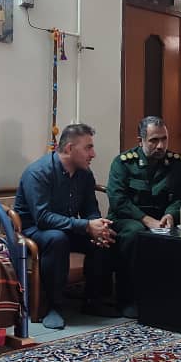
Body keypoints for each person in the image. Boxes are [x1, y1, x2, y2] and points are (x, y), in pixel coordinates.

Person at [13, 123, 115, 330]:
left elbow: (90, 209)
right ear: (69, 148)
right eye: (88, 147)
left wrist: (98, 227)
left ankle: (93, 300)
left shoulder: (84, 174)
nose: (93, 154)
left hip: (65, 227)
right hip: (33, 231)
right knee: (56, 238)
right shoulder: (38, 172)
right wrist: (86, 226)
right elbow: (42, 218)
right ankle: (54, 307)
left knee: (105, 238)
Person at [106, 116, 181, 318]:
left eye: (164, 139)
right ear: (140, 140)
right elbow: (118, 201)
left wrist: (170, 214)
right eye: (154, 140)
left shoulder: (176, 164)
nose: (160, 145)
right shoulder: (123, 163)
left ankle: (179, 296)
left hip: (161, 219)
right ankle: (127, 299)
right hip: (126, 219)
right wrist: (145, 219)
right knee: (135, 232)